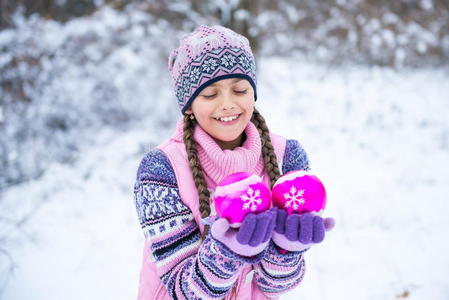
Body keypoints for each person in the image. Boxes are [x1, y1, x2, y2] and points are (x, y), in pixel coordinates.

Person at [133, 25, 335, 300]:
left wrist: (286, 251)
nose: (227, 104)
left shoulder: (287, 157)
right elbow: (183, 292)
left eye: (239, 90)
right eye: (210, 94)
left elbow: (277, 287)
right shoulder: (161, 169)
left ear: (253, 93)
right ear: (188, 104)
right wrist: (224, 254)